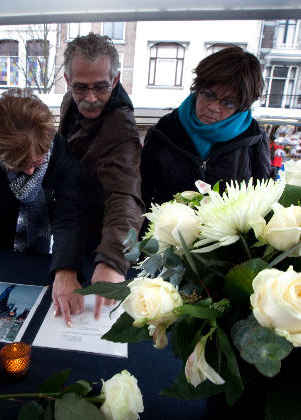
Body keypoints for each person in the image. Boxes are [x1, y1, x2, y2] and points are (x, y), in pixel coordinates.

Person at [0, 89, 84, 326]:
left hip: (40, 246)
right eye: (19, 165)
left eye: (37, 162)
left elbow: (68, 211)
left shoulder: (59, 149)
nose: (31, 172)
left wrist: (65, 268)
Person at [58, 33, 144, 320]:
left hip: (103, 238)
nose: (91, 98)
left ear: (116, 80)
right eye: (81, 88)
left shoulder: (121, 130)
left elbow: (125, 196)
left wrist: (113, 260)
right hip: (73, 223)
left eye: (101, 87)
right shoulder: (70, 102)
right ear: (68, 82)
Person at [141, 45, 272, 210]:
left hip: (230, 234)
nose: (214, 107)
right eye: (208, 95)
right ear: (198, 88)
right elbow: (143, 194)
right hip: (169, 233)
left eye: (228, 103)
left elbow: (264, 200)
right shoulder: (163, 131)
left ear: (242, 105)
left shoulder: (254, 139)